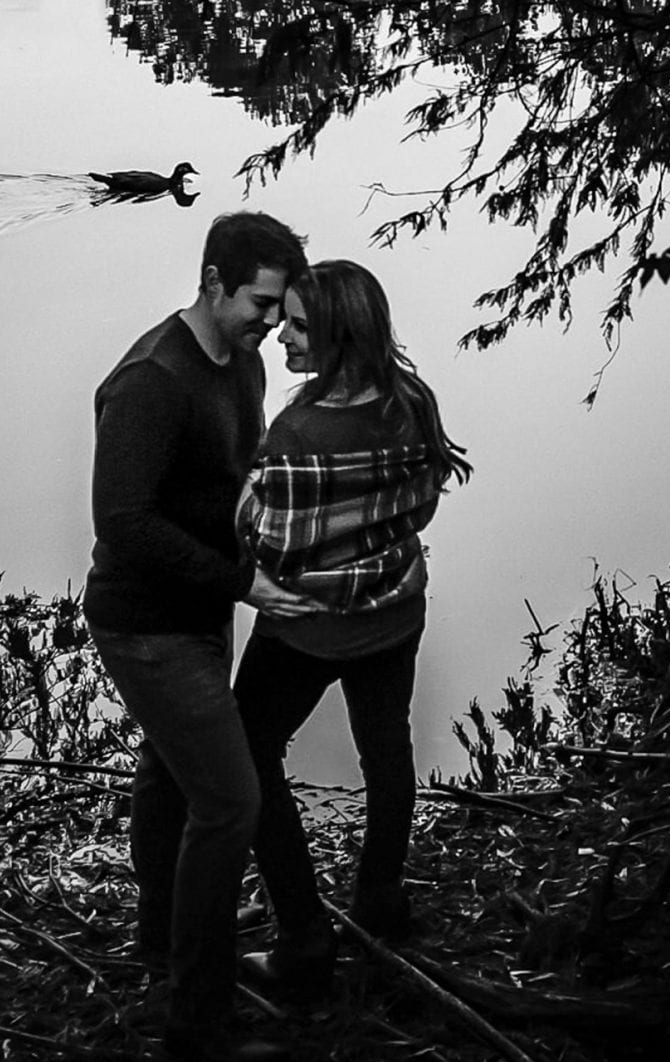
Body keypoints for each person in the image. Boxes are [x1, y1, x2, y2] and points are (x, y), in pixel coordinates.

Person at [83, 211, 320, 1062]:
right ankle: (199, 1021)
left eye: (278, 307)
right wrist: (237, 582)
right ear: (214, 281)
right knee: (231, 802)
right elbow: (123, 522)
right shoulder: (152, 382)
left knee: (172, 776)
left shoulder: (243, 362)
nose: (270, 321)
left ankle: (160, 935)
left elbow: (238, 477)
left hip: (199, 616)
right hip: (145, 625)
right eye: (261, 302)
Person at [232, 259, 472, 996]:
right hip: (394, 616)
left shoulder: (298, 431)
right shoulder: (412, 401)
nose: (282, 338)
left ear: (339, 335)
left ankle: (305, 941)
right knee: (385, 749)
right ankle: (380, 900)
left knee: (249, 757)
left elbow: (268, 543)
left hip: (307, 630)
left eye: (301, 328)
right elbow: (423, 506)